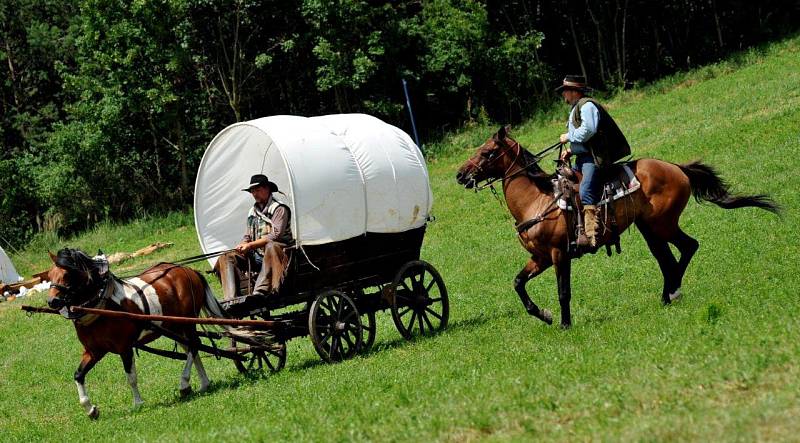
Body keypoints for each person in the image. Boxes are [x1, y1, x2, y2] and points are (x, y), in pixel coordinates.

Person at [556, 75, 630, 248]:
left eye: (565, 91)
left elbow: (588, 131)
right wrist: (570, 151)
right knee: (567, 184)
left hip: (594, 159)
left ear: (574, 91)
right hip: (583, 157)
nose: (563, 95)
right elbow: (584, 141)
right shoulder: (576, 108)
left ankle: (591, 235)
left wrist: (568, 137)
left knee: (585, 189)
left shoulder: (587, 105)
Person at [216, 174, 293, 300]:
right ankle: (231, 298)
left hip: (278, 255)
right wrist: (242, 244)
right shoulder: (252, 211)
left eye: (257, 190)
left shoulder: (279, 209)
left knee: (271, 246)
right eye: (252, 191)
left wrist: (250, 245)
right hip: (257, 256)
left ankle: (260, 292)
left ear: (267, 189)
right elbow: (248, 235)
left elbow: (276, 235)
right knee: (227, 256)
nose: (254, 194)